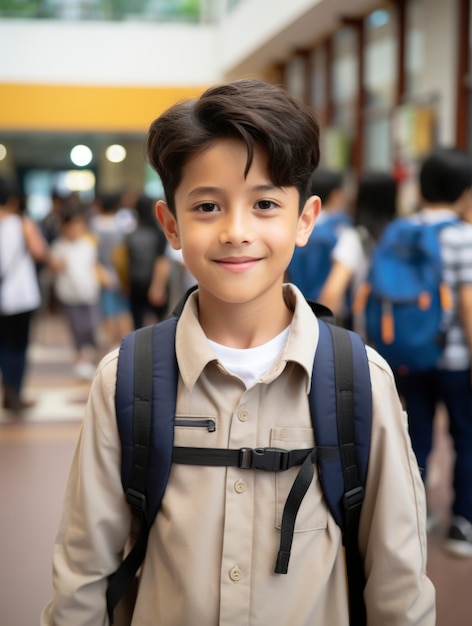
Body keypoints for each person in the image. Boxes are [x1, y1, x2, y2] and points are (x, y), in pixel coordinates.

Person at [41, 79, 435, 625]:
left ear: (305, 220)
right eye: (207, 206)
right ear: (171, 225)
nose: (236, 231)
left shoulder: (359, 380)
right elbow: (82, 575)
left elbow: (400, 586)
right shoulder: (127, 379)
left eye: (266, 203)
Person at [393, 148, 472, 556]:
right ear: (463, 191)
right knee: (465, 436)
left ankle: (416, 513)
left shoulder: (400, 231)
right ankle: (462, 523)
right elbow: (467, 303)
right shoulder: (463, 236)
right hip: (456, 358)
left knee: (416, 434)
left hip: (408, 351)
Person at [318, 171, 398, 335]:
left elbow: (331, 294)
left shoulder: (354, 238)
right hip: (407, 338)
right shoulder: (401, 236)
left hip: (368, 337)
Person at [0, 178, 48, 414]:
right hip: (21, 296)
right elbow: (40, 252)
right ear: (13, 199)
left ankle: (7, 389)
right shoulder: (22, 223)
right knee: (19, 345)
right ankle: (15, 392)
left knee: (3, 345)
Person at [48, 201, 102, 380]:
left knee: (92, 326)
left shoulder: (88, 245)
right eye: (72, 226)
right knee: (77, 329)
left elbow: (94, 265)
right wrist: (57, 265)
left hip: (89, 293)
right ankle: (80, 360)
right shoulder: (59, 247)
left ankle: (90, 357)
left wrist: (103, 277)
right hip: (70, 296)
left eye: (80, 226)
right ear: (64, 227)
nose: (77, 230)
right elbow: (53, 267)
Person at [286, 168, 351, 300]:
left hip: (294, 302)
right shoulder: (341, 230)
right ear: (336, 195)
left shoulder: (294, 227)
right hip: (324, 310)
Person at [90, 192, 133, 348]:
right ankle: (127, 344)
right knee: (123, 309)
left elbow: (92, 252)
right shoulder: (121, 225)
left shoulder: (94, 224)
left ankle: (111, 344)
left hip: (103, 271)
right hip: (121, 272)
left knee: (108, 310)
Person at [124, 194, 170, 329]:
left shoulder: (131, 233)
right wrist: (158, 286)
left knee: (137, 322)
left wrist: (126, 284)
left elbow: (127, 262)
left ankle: (139, 349)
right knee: (159, 323)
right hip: (153, 282)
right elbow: (161, 262)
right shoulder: (158, 233)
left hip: (135, 283)